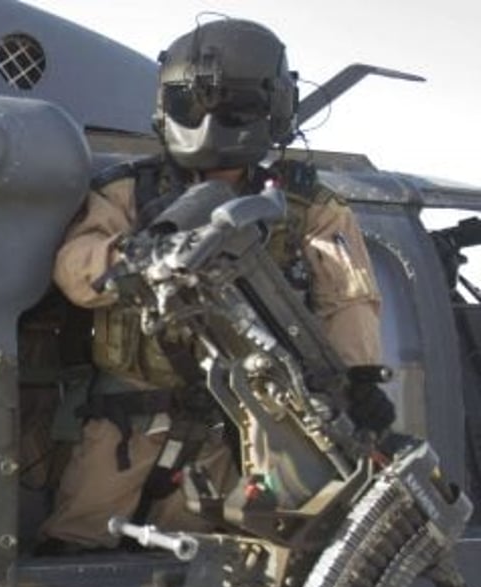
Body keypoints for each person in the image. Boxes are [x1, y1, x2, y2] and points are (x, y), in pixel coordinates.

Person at [39, 18, 395, 548]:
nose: (208, 121)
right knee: (76, 544)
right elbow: (77, 266)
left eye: (230, 106)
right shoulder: (131, 192)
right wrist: (137, 259)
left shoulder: (307, 210)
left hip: (234, 425)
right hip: (126, 418)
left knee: (199, 563)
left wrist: (359, 382)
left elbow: (347, 298)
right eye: (193, 103)